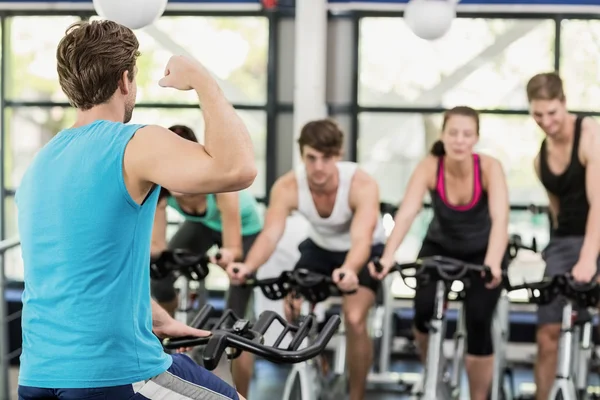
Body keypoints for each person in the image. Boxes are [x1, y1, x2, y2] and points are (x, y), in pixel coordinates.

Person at [15, 20, 256, 400]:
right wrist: (203, 80)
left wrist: (157, 318)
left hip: (37, 376)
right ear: (126, 81)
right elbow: (238, 169)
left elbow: (79, 274)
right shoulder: (133, 142)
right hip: (114, 371)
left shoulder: (40, 163)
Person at [227, 119, 386, 400]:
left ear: (338, 155)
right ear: (302, 155)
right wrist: (248, 267)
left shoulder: (361, 184)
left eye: (326, 158)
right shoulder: (288, 186)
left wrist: (349, 269)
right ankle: (316, 361)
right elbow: (270, 235)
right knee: (293, 305)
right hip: (320, 247)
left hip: (363, 249)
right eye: (311, 158)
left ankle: (357, 395)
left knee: (354, 317)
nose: (318, 167)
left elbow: (361, 239)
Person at [371, 106, 509, 400]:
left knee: (478, 321)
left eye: (467, 134)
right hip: (440, 247)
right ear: (443, 136)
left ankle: (478, 397)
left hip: (484, 251)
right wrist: (387, 256)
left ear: (476, 138)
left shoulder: (489, 167)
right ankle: (436, 371)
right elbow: (408, 213)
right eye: (453, 133)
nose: (460, 140)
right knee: (422, 312)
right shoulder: (430, 166)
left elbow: (500, 219)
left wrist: (494, 263)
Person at [150, 124, 263, 398]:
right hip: (201, 225)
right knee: (159, 275)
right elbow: (157, 247)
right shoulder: (161, 185)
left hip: (244, 231)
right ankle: (166, 334)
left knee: (236, 319)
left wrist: (226, 257)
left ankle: (241, 392)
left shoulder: (218, 182)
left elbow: (234, 247)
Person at [526, 72, 600, 400]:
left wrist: (587, 259)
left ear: (565, 104)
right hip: (566, 242)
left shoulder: (591, 135)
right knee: (547, 334)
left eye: (552, 113)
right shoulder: (539, 159)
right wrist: (552, 255)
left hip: (596, 236)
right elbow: (558, 215)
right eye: (538, 114)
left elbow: (598, 201)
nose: (546, 121)